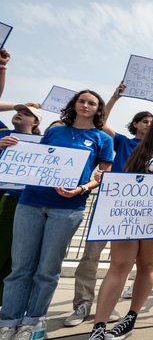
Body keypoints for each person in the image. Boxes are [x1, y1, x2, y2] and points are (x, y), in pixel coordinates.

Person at [0, 90, 113, 340]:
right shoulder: (54, 131)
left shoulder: (103, 139)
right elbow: (37, 159)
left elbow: (102, 176)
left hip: (68, 209)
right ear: (73, 104)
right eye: (81, 100)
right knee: (20, 268)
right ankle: (8, 322)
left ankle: (34, 322)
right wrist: (9, 146)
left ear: (98, 109)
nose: (85, 105)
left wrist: (82, 188)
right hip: (30, 202)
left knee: (47, 270)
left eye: (91, 103)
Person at [65, 83, 153, 328]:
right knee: (92, 256)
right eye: (145, 121)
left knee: (127, 264)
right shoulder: (121, 142)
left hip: (142, 212)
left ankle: (107, 308)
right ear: (135, 125)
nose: (150, 125)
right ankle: (83, 304)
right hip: (112, 207)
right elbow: (101, 122)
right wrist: (114, 97)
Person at [88, 109, 153, 340]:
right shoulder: (131, 146)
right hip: (126, 211)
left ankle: (129, 319)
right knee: (119, 264)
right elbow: (102, 124)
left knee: (147, 264)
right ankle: (98, 326)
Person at [0, 103, 43, 305]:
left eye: (26, 114)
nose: (19, 114)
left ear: (35, 123)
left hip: (29, 202)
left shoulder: (44, 144)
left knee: (17, 258)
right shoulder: (2, 133)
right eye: (18, 111)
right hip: (6, 199)